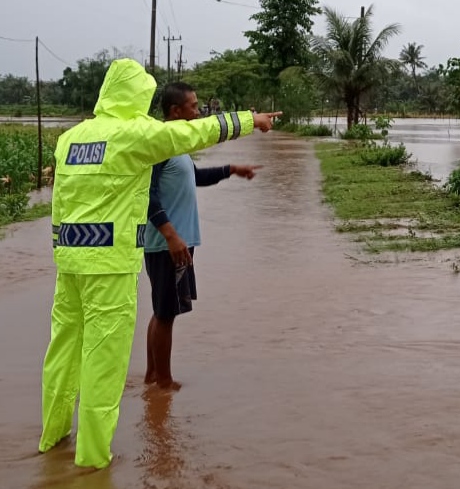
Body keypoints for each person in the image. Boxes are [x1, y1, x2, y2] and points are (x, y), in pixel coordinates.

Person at [39, 59, 280, 470]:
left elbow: (61, 202)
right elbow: (195, 131)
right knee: (104, 360)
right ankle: (93, 460)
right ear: (138, 95)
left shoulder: (71, 138)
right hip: (110, 264)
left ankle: (52, 437)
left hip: (70, 262)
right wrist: (249, 119)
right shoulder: (135, 135)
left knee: (62, 352)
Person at [143, 82, 262, 390]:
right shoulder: (160, 144)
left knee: (161, 311)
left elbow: (194, 177)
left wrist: (232, 169)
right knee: (165, 313)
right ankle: (164, 385)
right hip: (167, 245)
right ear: (176, 111)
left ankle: (153, 375)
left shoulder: (175, 145)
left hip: (176, 243)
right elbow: (147, 196)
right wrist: (171, 236)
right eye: (194, 106)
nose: (199, 111)